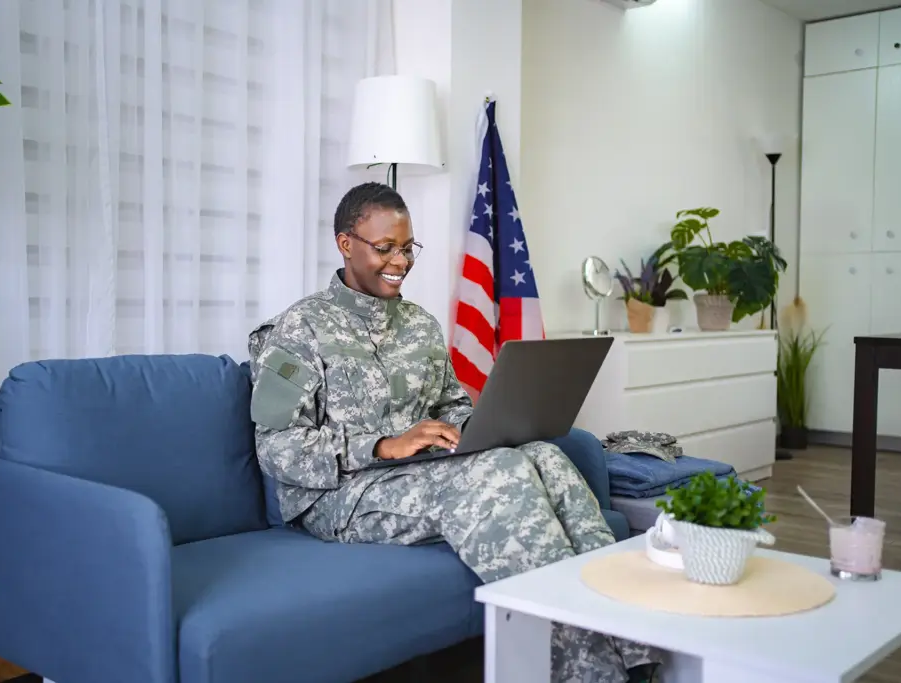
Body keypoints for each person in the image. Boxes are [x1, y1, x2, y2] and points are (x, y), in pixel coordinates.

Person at [248, 182, 661, 683]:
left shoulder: (419, 325)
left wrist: (480, 427)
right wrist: (381, 445)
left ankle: (637, 649)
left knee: (545, 455)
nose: (400, 261)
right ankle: (588, 674)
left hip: (420, 472)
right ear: (346, 244)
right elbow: (277, 450)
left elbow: (452, 406)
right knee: (501, 470)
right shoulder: (298, 328)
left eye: (407, 248)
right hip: (341, 493)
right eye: (385, 249)